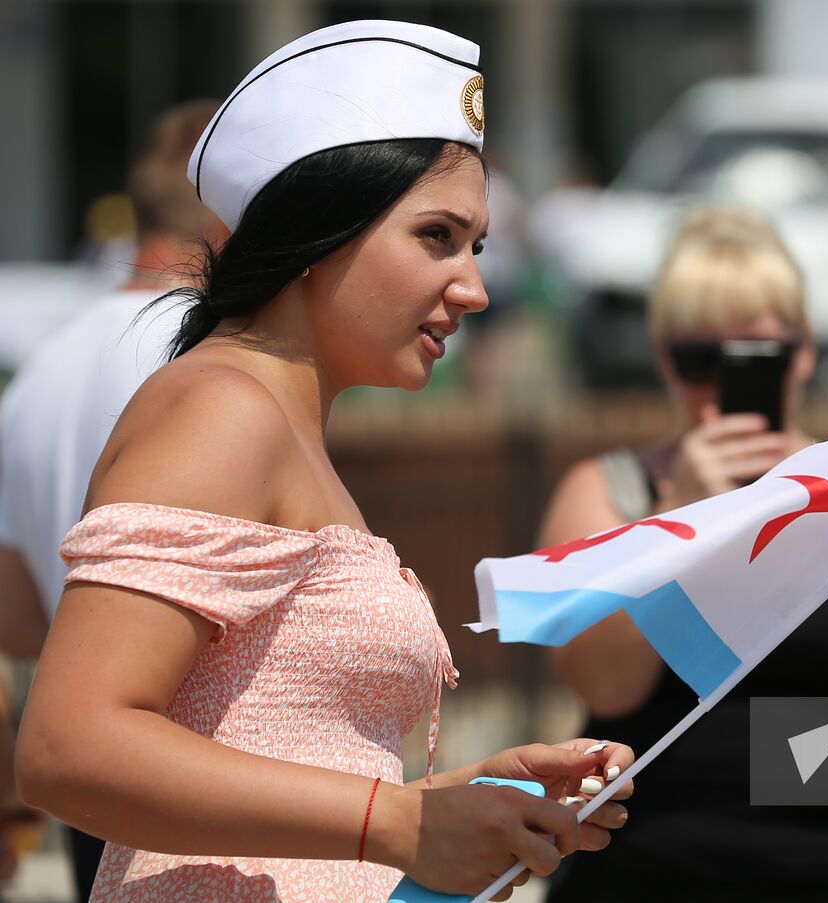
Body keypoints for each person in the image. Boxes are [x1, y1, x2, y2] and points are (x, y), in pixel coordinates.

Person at [14, 20, 632, 903]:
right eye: (436, 237)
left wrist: (456, 801)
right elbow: (68, 745)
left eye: (477, 246)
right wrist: (401, 820)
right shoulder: (222, 406)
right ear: (319, 230)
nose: (475, 287)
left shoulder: (275, 420)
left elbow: (282, 759)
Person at [537, 207, 828, 903]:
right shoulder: (609, 491)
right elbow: (605, 685)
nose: (723, 388)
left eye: (756, 359)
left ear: (805, 352)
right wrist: (678, 518)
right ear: (660, 359)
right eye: (698, 360)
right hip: (650, 874)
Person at [0, 97, 225, 903]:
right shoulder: (218, 359)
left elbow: (20, 619)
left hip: (90, 784)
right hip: (206, 783)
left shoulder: (39, 367)